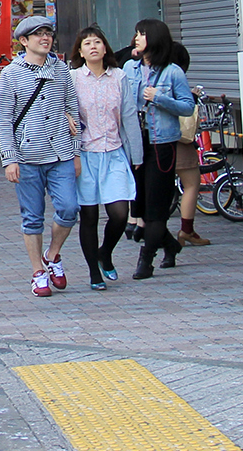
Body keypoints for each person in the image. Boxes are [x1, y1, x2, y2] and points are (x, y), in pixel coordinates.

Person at [0, 17, 84, 297]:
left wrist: (76, 150)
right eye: (38, 35)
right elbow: (4, 119)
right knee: (32, 217)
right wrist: (10, 158)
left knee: (69, 208)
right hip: (27, 156)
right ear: (24, 41)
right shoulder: (11, 73)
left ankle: (53, 254)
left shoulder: (61, 70)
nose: (45, 39)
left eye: (48, 34)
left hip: (60, 152)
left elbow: (73, 108)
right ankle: (37, 271)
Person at [121, 19, 195, 280]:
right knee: (140, 204)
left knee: (156, 206)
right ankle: (171, 245)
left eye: (141, 34)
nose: (137, 38)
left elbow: (187, 106)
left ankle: (146, 259)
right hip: (136, 143)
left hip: (162, 143)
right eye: (136, 34)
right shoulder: (129, 68)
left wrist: (160, 99)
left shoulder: (173, 72)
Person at [68, 26, 137, 290]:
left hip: (114, 152)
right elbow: (63, 106)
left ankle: (105, 252)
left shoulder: (119, 77)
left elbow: (129, 115)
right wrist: (67, 118)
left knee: (120, 212)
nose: (93, 47)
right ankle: (93, 273)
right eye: (87, 43)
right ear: (80, 51)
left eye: (98, 42)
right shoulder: (73, 78)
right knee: (89, 215)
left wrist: (137, 154)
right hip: (85, 154)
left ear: (106, 48)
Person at [172, 43, 208, 249]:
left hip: (157, 142)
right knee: (192, 184)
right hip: (181, 142)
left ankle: (146, 226)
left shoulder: (151, 74)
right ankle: (187, 229)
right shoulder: (176, 77)